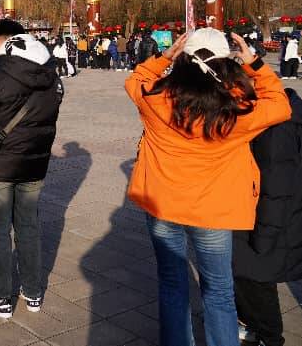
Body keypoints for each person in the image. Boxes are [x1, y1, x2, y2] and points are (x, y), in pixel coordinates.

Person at [125, 29, 291, 345]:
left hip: (163, 204)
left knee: (172, 284)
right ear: (226, 61)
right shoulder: (239, 108)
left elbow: (135, 79)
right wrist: (255, 63)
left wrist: (163, 57)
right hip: (214, 210)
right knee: (219, 290)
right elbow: (280, 104)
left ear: (184, 59)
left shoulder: (156, 99)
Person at [0, 21, 63, 319]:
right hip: (35, 162)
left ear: (4, 42)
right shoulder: (51, 76)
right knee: (28, 227)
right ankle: (33, 292)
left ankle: (0, 298)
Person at [232, 88, 302, 346]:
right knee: (249, 275)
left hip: (268, 220)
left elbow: (275, 185)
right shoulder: (272, 109)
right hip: (263, 214)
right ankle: (252, 325)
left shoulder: (275, 125)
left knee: (254, 275)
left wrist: (264, 235)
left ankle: (269, 337)